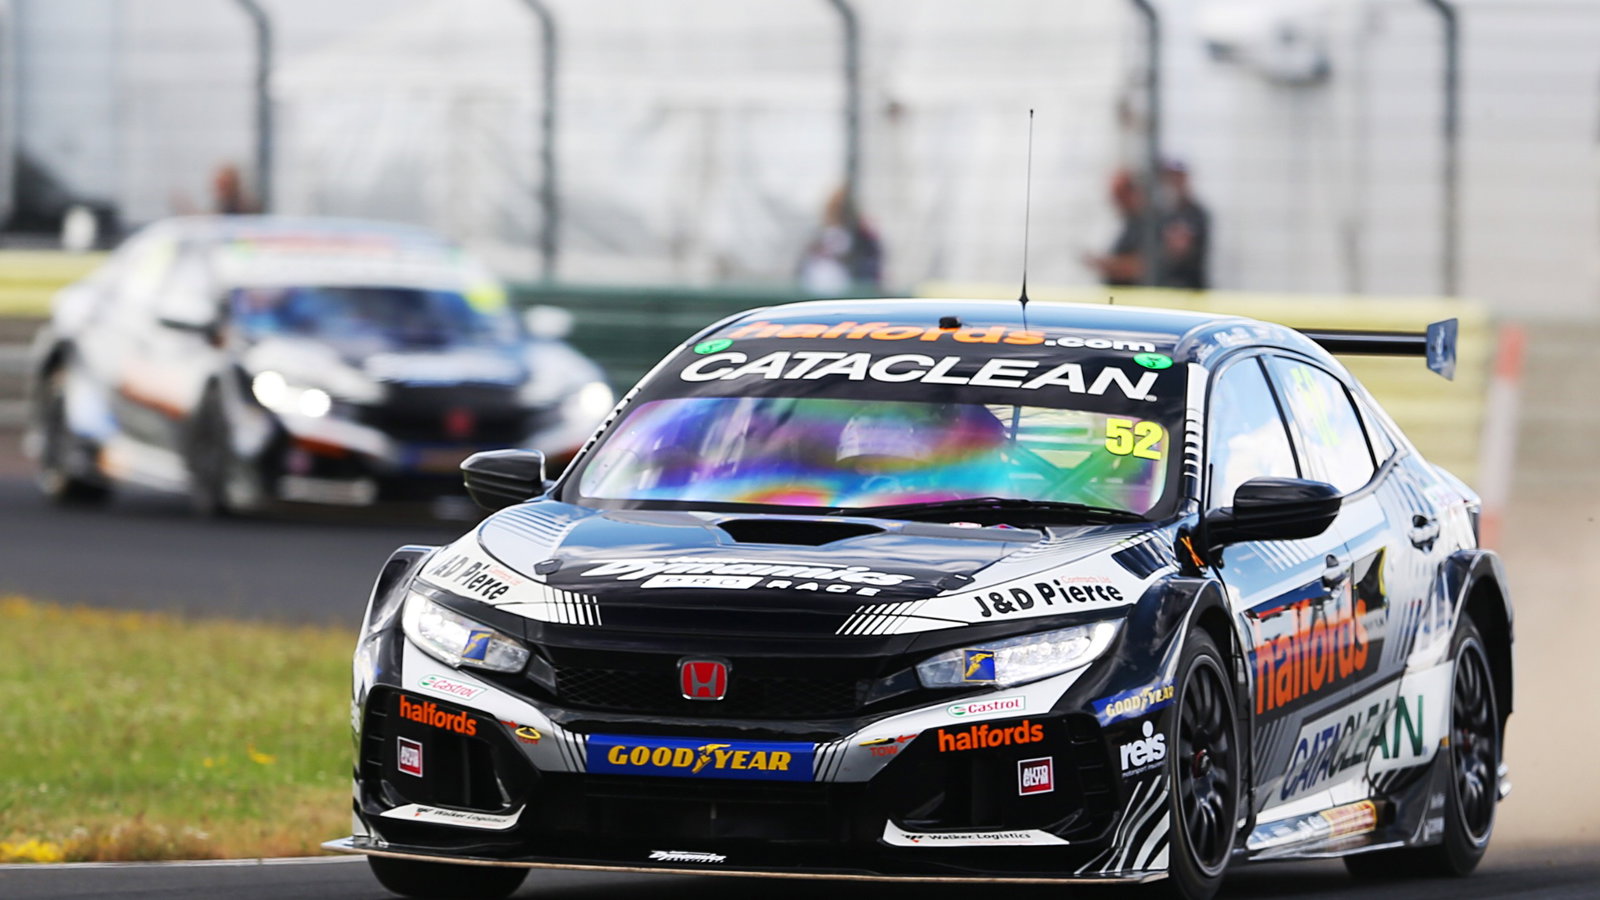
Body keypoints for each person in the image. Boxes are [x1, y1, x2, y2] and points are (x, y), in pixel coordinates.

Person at [797, 186, 884, 296]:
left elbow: (869, 266)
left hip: (847, 289)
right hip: (815, 288)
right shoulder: (819, 233)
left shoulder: (861, 235)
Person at [1083, 168, 1148, 286]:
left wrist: (1108, 265)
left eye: (1119, 196)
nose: (1116, 202)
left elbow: (1145, 266)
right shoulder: (1127, 223)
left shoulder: (1149, 225)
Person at [1158, 159, 1210, 290]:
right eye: (1170, 177)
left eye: (1177, 176)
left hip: (1191, 289)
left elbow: (1182, 249)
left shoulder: (1196, 213)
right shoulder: (1164, 212)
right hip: (1165, 288)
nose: (1173, 181)